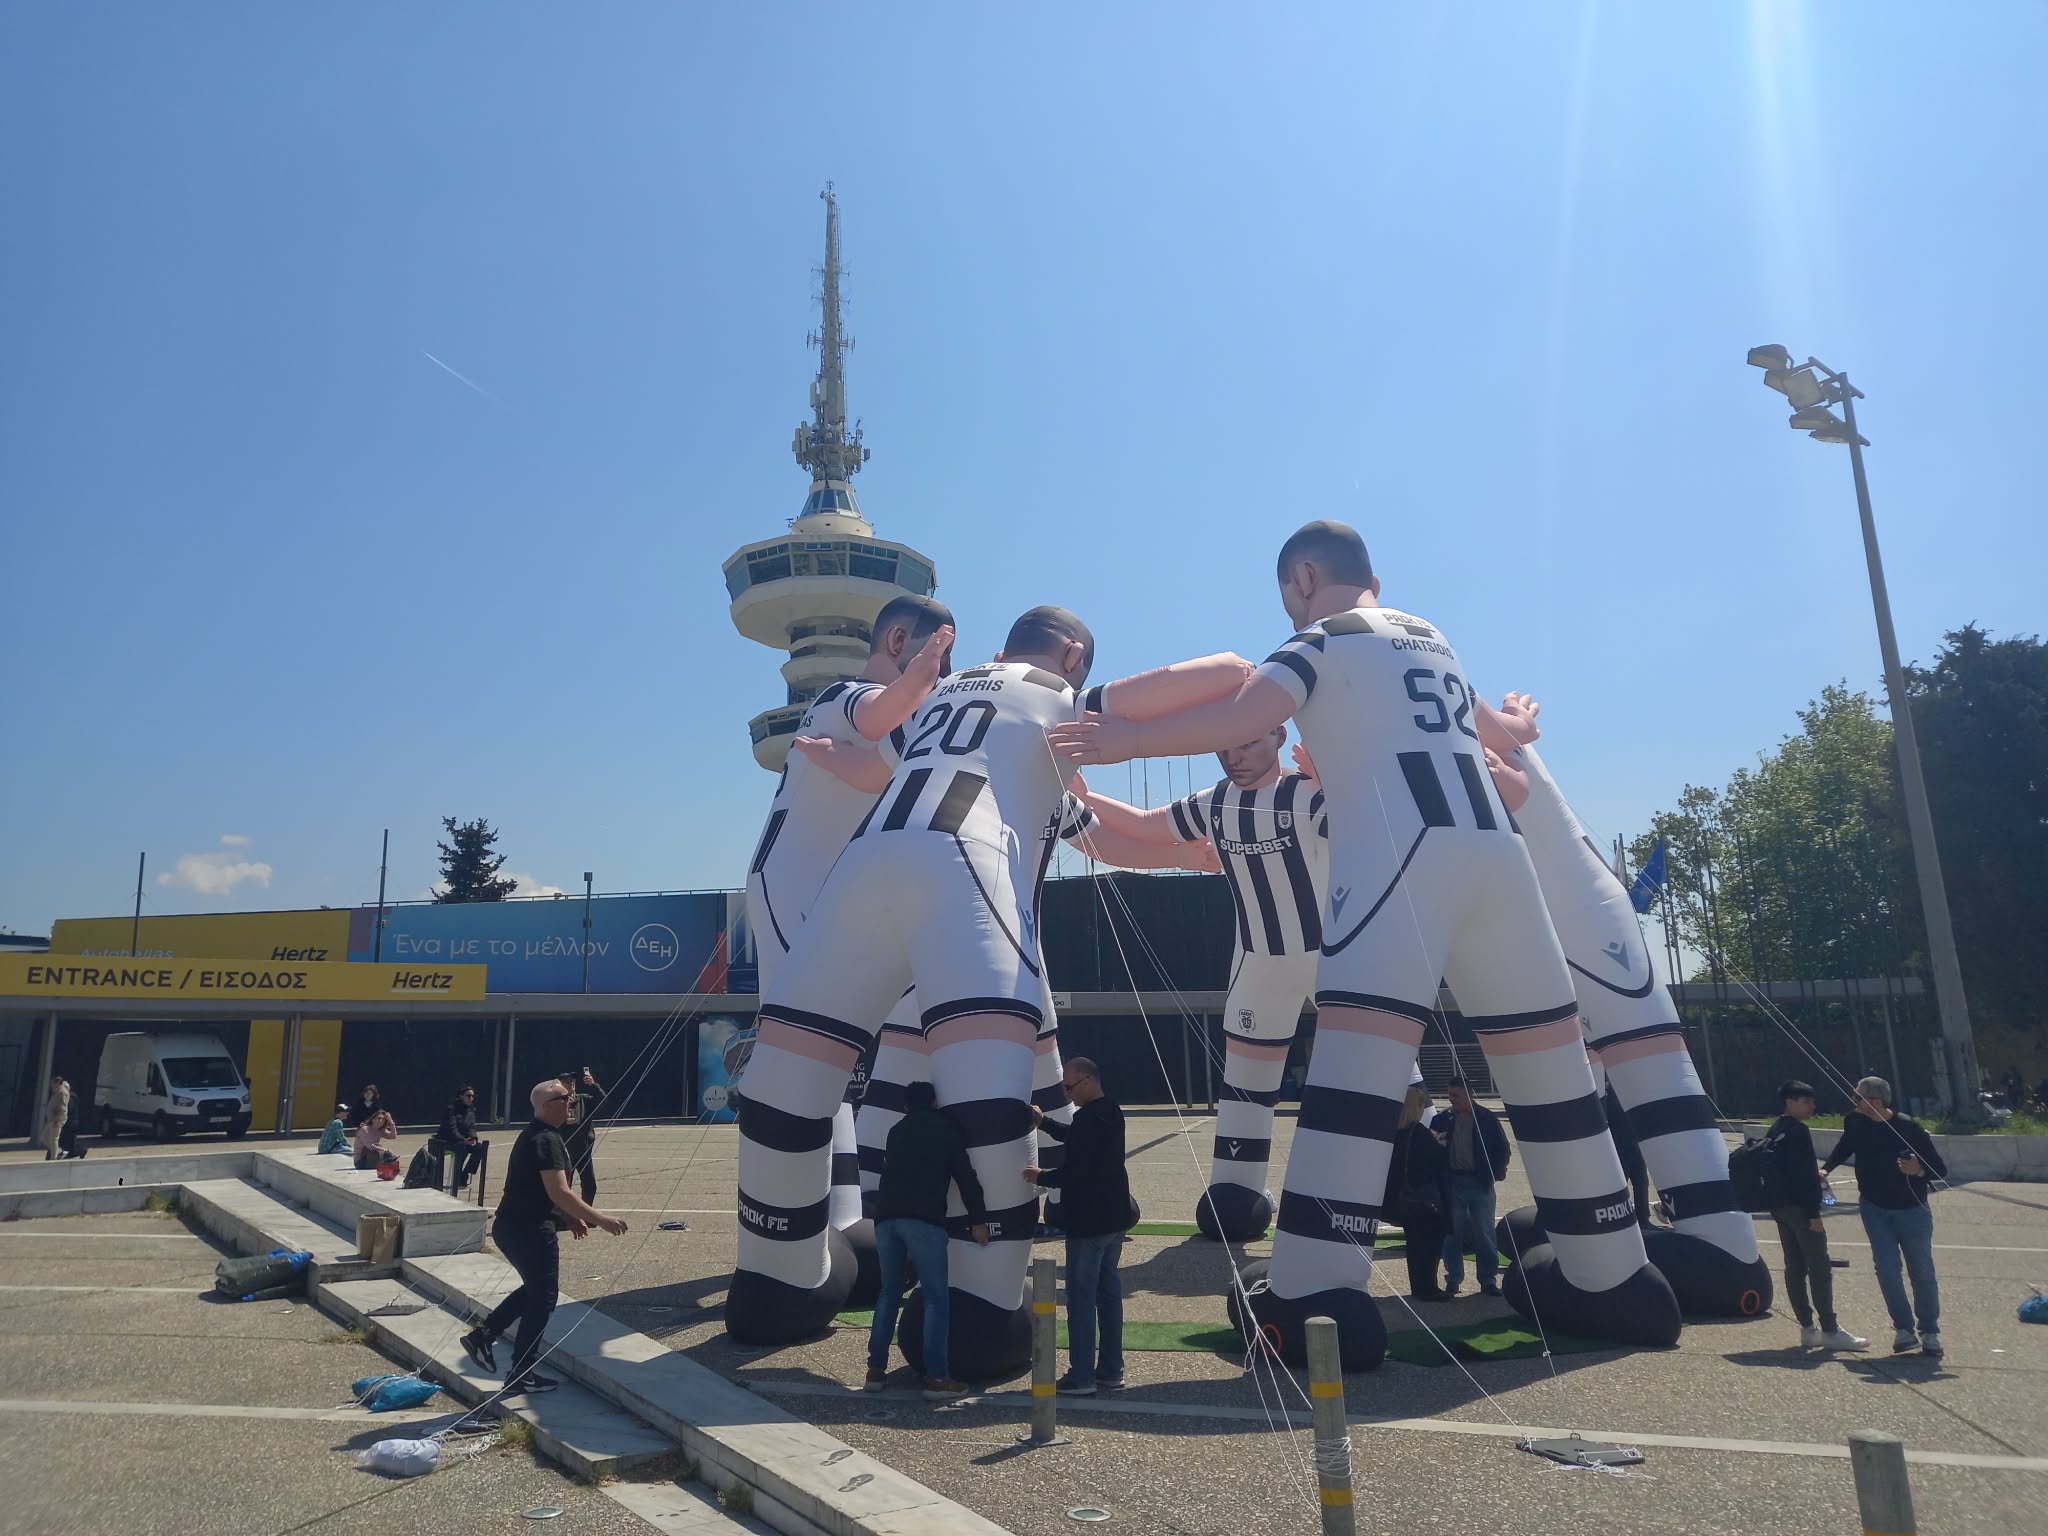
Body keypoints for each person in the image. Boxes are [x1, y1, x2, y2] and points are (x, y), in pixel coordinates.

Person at [1049, 520, 1666, 1360]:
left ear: (1304, 578)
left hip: (1399, 855)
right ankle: (1612, 1271)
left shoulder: (1321, 640)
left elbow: (1245, 709)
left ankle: (1314, 1290)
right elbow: (1502, 734)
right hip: (1495, 854)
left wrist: (1126, 739)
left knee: (1356, 1062)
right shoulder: (1434, 638)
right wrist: (1519, 719)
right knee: (1544, 1051)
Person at [728, 603, 1247, 1362]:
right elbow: (1227, 673)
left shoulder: (941, 696)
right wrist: (1143, 748)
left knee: (789, 1076)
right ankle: (981, 1307)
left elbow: (873, 768)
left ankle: (775, 1280)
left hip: (867, 862)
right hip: (969, 868)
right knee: (986, 1096)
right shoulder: (1058, 696)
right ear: (1072, 656)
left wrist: (830, 752)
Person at [1073, 724, 1326, 1239]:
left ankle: (1417, 1170)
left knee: (1378, 1064)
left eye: (1248, 742)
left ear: (1278, 736)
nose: (1235, 755)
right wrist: (1082, 796)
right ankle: (1236, 1188)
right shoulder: (1214, 802)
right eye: (1225, 745)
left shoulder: (1306, 793)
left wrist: (1339, 784)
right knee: (1246, 1080)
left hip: (1329, 954)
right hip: (1257, 959)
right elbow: (1146, 824)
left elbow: (1373, 834)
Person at [462, 1080, 630, 1392]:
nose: (572, 1102)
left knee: (535, 1290)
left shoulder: (539, 1135)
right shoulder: (546, 1140)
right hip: (529, 1230)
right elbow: (560, 1192)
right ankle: (520, 1373)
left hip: (512, 1227)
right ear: (547, 1105)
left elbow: (547, 1190)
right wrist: (600, 1219)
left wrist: (572, 1217)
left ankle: (483, 1337)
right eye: (566, 1098)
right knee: (544, 1298)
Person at [865, 1080, 990, 1400]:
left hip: (886, 1218)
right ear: (935, 1101)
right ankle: (937, 1377)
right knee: (935, 1297)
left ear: (906, 1105)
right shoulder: (945, 1129)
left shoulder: (896, 1131)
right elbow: (965, 1175)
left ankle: (875, 1370)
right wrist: (979, 1220)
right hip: (923, 1219)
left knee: (889, 1292)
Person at [1821, 1075, 1948, 1356]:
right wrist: (1826, 1168)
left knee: (1921, 1270)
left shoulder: (1908, 1127)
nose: (1854, 1101)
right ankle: (1904, 1329)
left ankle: (1929, 1331)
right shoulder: (1855, 1122)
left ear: (1877, 1101)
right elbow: (1845, 1146)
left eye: (1859, 1097)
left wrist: (1918, 1171)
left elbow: (1939, 1169)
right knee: (1887, 1269)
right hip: (1874, 1208)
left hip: (1912, 1209)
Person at [1027, 1056, 1132, 1394]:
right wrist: (1044, 1123)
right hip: (1115, 1218)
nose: (1067, 1093)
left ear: (1087, 1081)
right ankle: (1111, 1370)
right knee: (1109, 1295)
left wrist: (1041, 1177)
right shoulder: (1112, 1111)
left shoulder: (1087, 1119)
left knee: (1082, 1299)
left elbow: (1075, 1171)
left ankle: (1082, 1375)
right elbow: (1076, 1138)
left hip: (1089, 1221)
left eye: (1069, 1087)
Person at [1767, 1080, 1867, 1351]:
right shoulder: (1798, 1131)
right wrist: (1814, 1214)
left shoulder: (1775, 1129)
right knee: (1819, 1267)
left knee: (1794, 1267)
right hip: (1801, 1209)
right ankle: (1830, 1329)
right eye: (1806, 1102)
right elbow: (1804, 1176)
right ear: (1790, 1102)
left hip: (1780, 1207)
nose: (1812, 1106)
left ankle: (1807, 1328)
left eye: (1812, 1101)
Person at [1431, 1078, 1511, 1297]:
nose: (1451, 1099)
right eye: (1449, 1095)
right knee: (1451, 1234)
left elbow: (1502, 1148)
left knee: (1484, 1232)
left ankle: (1488, 1280)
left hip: (1480, 1183)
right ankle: (1453, 1279)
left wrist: (1496, 1173)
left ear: (1468, 1094)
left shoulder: (1487, 1118)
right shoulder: (1441, 1120)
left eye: (1455, 1095)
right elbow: (1432, 1151)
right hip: (1452, 1184)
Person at [1389, 1084, 1452, 1300]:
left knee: (1414, 1247)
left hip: (1405, 1201)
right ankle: (1428, 1287)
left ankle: (1418, 1287)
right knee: (1429, 1247)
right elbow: (1437, 1163)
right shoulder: (1420, 1134)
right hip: (1426, 1202)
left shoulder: (1395, 1133)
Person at [559, 1068, 605, 1202]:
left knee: (590, 1185)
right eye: (567, 1081)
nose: (571, 1083)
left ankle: (586, 1212)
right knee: (564, 1186)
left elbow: (603, 1101)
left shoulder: (583, 1099)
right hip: (565, 1152)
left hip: (584, 1151)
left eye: (572, 1081)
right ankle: (563, 1212)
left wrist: (593, 1085)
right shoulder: (557, 1103)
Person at [434, 1084, 488, 1191]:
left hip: (464, 1140)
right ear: (460, 1096)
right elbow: (452, 1128)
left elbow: (472, 1127)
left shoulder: (471, 1110)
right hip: (448, 1141)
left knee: (480, 1148)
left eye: (472, 1096)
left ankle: (465, 1174)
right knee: (462, 1147)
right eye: (468, 1096)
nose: (471, 1098)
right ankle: (457, 1177)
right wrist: (463, 1139)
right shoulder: (451, 1109)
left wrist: (473, 1138)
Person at [42, 1076, 71, 1160]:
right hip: (51, 1119)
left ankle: (54, 1158)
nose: (51, 1085)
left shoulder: (62, 1092)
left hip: (56, 1120)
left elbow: (63, 1108)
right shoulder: (57, 1091)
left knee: (53, 1139)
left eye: (53, 1083)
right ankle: (58, 1151)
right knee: (44, 1138)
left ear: (58, 1083)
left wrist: (57, 1120)